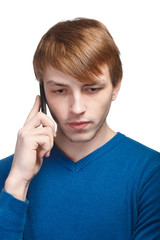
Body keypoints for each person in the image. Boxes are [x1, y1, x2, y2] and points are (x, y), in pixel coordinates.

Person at [0, 17, 160, 240]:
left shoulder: (151, 173)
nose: (77, 108)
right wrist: (17, 184)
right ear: (43, 93)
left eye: (92, 89)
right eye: (60, 91)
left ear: (116, 86)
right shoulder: (9, 175)